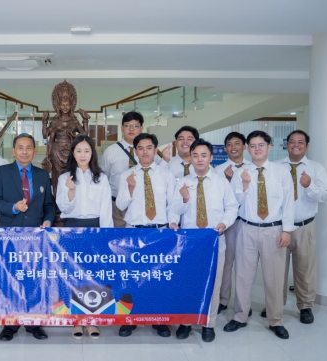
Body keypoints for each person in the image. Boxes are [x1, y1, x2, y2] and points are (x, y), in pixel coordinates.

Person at [223, 130, 294, 340]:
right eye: (252, 146)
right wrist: (244, 186)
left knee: (274, 277)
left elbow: (288, 203)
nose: (257, 149)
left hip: (274, 230)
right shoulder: (240, 172)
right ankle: (240, 316)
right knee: (243, 276)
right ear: (247, 148)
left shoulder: (281, 172)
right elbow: (235, 204)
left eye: (261, 145)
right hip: (247, 228)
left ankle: (276, 320)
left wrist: (287, 230)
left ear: (269, 147)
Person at [169, 139, 239, 342]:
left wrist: (224, 223)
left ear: (210, 157)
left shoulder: (220, 182)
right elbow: (174, 211)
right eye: (195, 155)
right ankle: (186, 322)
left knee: (213, 284)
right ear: (190, 158)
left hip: (214, 239)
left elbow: (232, 207)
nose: (199, 159)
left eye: (204, 155)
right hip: (189, 241)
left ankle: (208, 323)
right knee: (188, 282)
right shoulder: (183, 182)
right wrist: (181, 204)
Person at [0, 133, 55, 341]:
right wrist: (13, 208)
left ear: (35, 151)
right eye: (20, 147)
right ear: (13, 151)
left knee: (34, 280)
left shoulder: (43, 174)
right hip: (10, 235)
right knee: (11, 280)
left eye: (29, 147)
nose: (24, 151)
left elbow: (49, 206)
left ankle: (34, 323)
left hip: (36, 237)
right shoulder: (2, 172)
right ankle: (11, 324)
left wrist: (48, 220)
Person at [116, 133, 175, 339]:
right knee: (132, 278)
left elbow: (172, 204)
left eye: (149, 147)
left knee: (158, 276)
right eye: (140, 148)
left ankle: (159, 320)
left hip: (159, 231)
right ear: (135, 151)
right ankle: (129, 320)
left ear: (155, 149)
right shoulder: (127, 176)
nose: (145, 152)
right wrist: (130, 189)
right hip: (134, 231)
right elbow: (120, 205)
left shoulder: (166, 174)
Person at [56, 135, 112, 340]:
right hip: (72, 230)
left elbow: (106, 209)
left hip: (95, 229)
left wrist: (105, 236)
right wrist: (71, 192)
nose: (82, 155)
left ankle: (93, 320)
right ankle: (76, 321)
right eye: (78, 150)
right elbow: (63, 208)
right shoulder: (65, 178)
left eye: (86, 151)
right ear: (73, 153)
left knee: (94, 277)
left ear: (92, 154)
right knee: (74, 276)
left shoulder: (101, 178)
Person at [274, 130, 327, 324]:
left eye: (300, 142)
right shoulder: (276, 167)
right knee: (277, 269)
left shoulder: (316, 168)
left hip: (304, 226)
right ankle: (275, 305)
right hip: (280, 227)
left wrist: (310, 186)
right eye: (292, 142)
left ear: (307, 146)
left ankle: (305, 306)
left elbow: (325, 196)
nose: (295, 145)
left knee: (305, 269)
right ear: (286, 144)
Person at [100, 112, 171, 227]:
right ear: (122, 128)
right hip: (118, 203)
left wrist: (165, 161)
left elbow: (158, 174)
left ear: (141, 128)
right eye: (127, 125)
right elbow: (105, 177)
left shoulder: (152, 152)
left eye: (135, 126)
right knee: (121, 239)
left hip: (145, 202)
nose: (131, 129)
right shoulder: (111, 151)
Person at [214, 132, 251, 314]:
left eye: (237, 143)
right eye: (229, 144)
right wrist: (226, 181)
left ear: (244, 146)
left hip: (246, 223)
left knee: (246, 266)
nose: (233, 146)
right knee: (225, 264)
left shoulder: (253, 168)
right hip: (227, 224)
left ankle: (244, 304)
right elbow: (219, 199)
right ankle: (222, 299)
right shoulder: (217, 170)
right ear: (225, 148)